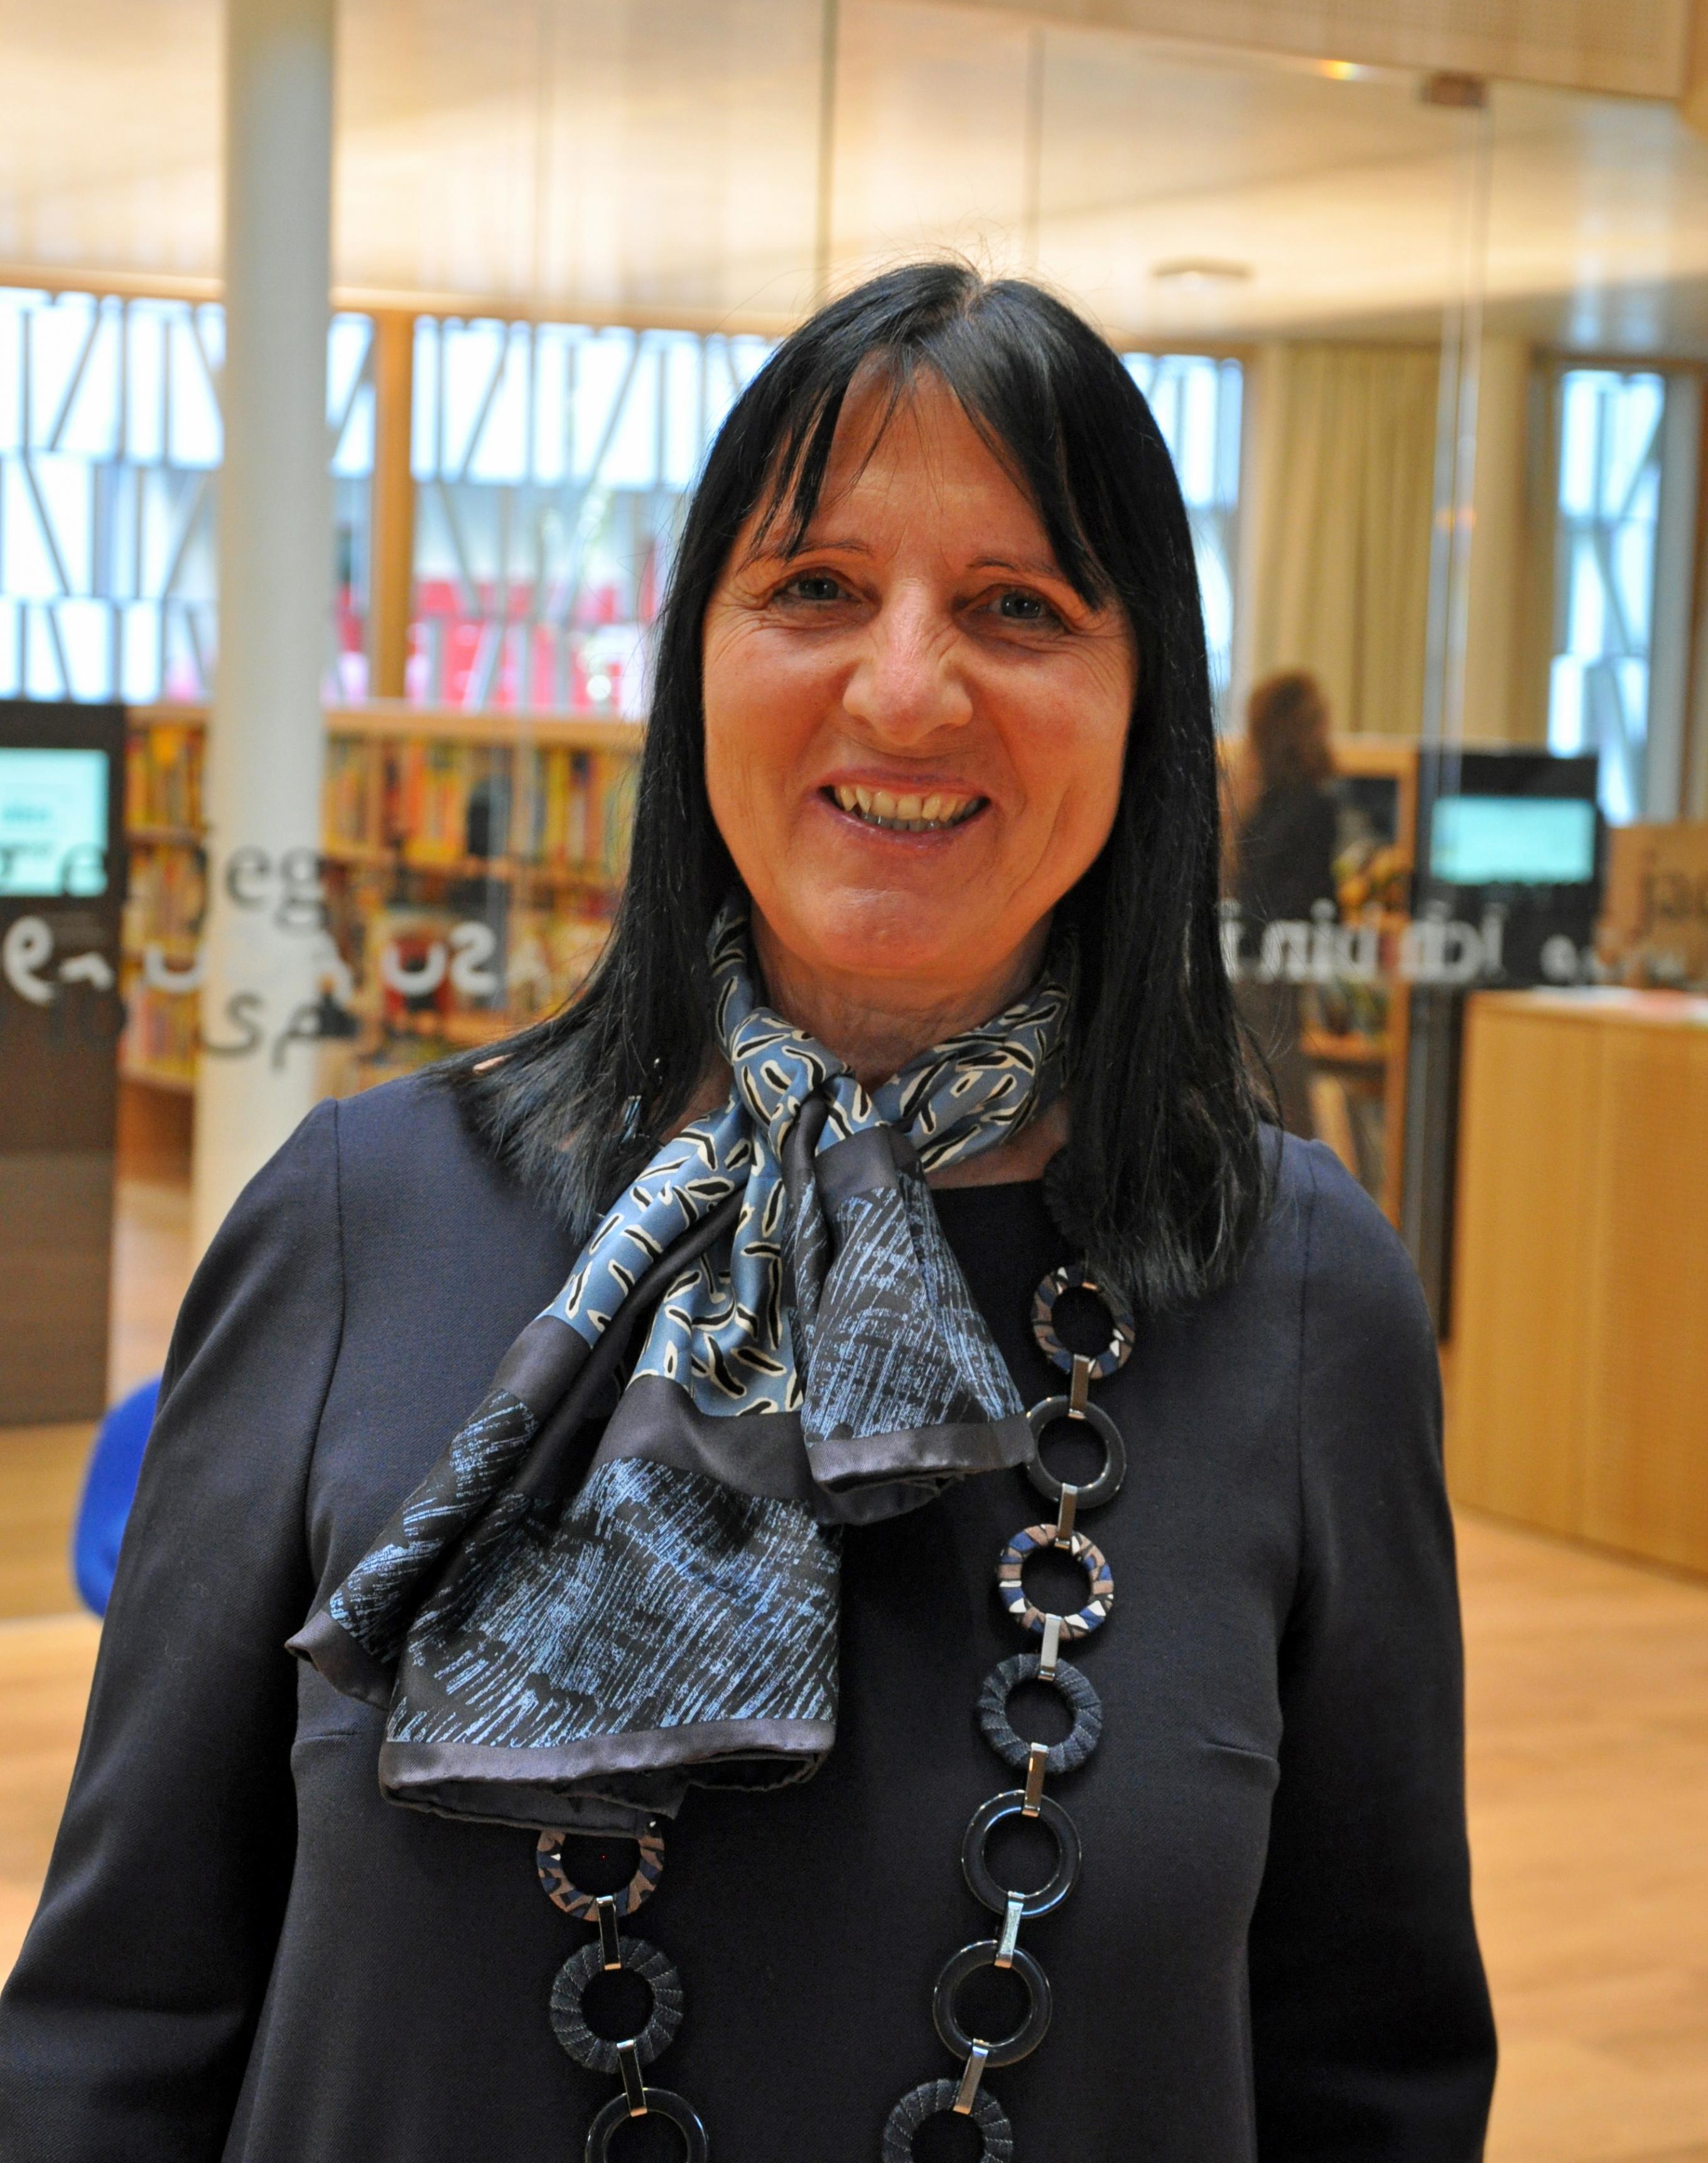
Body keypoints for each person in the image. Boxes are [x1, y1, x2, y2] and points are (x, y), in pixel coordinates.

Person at [0, 266, 1495, 2163]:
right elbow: (114, 2036)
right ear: (695, 658)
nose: (905, 688)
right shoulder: (361, 1222)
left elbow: (1372, 2072)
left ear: (1145, 707)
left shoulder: (1298, 1291)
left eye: (1019, 608)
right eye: (815, 587)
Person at [1233, 670, 1342, 1141]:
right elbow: (1313, 895)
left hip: (1253, 961)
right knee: (1283, 1098)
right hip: (1274, 966)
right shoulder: (1313, 805)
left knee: (1266, 1090)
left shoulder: (1257, 802)